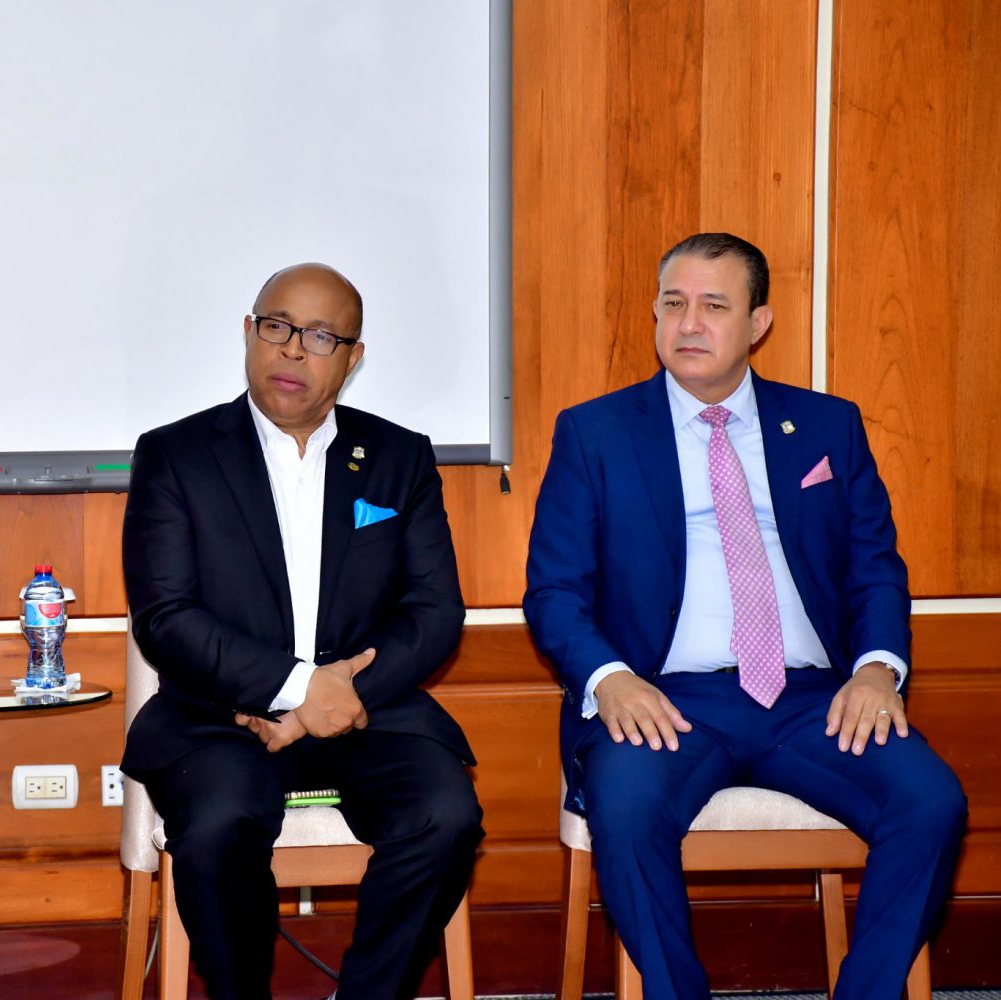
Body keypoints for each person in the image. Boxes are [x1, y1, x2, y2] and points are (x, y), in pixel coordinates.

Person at [523, 233, 967, 1000]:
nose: (688, 323)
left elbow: (874, 568)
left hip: (814, 698)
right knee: (626, 809)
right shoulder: (595, 432)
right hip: (665, 699)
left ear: (758, 323)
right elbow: (554, 590)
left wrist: (876, 670)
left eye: (714, 306)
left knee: (931, 801)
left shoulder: (827, 426)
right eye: (673, 304)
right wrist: (611, 679)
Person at [120, 262, 483, 1000]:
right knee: (218, 827)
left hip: (369, 710)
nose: (292, 349)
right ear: (248, 333)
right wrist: (296, 690)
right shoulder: (176, 454)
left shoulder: (398, 456)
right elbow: (165, 617)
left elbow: (435, 611)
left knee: (445, 817)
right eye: (277, 327)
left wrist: (335, 699)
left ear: (353, 358)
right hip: (221, 716)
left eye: (320, 336)